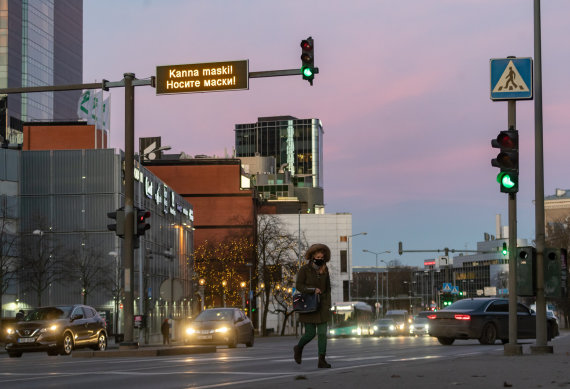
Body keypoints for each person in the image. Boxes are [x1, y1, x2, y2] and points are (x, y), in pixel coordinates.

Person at [293, 243, 332, 368]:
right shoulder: (304, 269)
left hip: (322, 307)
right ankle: (298, 348)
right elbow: (299, 286)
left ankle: (322, 359)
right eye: (318, 257)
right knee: (310, 334)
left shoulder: (325, 270)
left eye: (322, 257)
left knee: (322, 333)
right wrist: (312, 289)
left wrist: (328, 305)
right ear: (312, 256)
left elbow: (328, 289)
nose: (320, 259)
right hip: (309, 306)